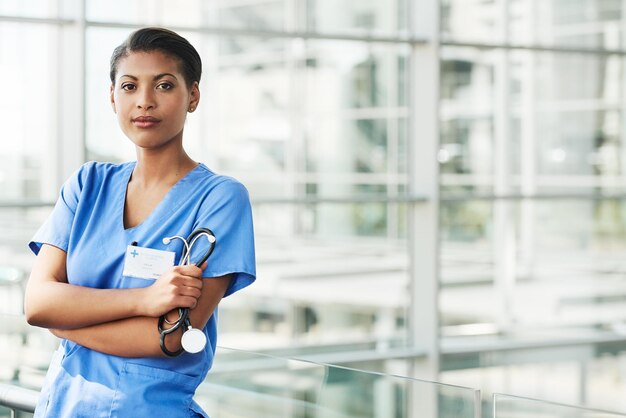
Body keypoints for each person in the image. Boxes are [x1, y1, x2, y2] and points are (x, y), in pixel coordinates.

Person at [24, 27, 256, 417]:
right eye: (129, 86)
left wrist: (65, 323)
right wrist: (145, 299)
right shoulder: (87, 185)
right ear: (113, 97)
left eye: (164, 86)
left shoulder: (220, 198)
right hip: (62, 406)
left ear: (193, 96)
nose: (144, 102)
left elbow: (171, 337)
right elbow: (37, 303)